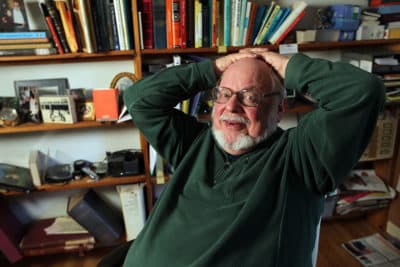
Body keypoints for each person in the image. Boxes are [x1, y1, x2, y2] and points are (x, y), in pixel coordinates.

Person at [119, 49, 385, 266]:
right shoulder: (195, 143)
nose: (231, 107)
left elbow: (362, 91)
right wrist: (211, 69)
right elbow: (138, 99)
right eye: (223, 94)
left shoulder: (302, 157)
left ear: (279, 109)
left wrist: (286, 66)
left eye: (250, 97)